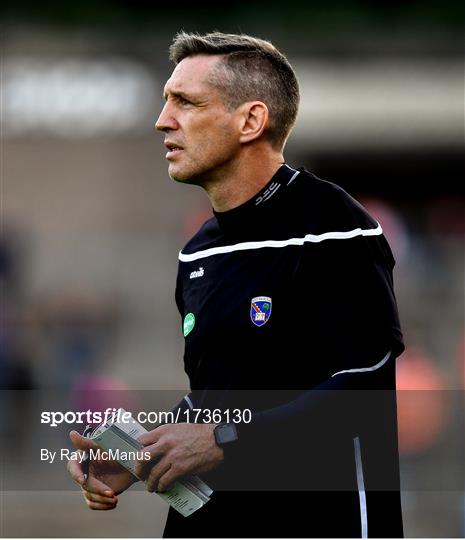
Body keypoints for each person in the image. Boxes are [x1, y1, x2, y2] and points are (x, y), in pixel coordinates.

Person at [68, 31, 404, 538]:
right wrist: (144, 455)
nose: (163, 121)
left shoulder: (333, 223)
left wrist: (225, 438)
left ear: (250, 120)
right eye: (166, 102)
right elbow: (212, 397)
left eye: (185, 102)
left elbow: (362, 384)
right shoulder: (199, 249)